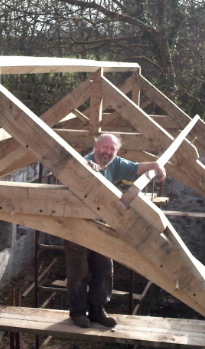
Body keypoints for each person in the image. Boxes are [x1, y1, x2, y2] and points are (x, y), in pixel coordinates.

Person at [65, 133, 166, 328]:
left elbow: (136, 168)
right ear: (96, 146)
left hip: (102, 225)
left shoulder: (115, 164)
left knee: (103, 270)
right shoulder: (84, 162)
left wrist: (155, 165)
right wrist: (87, 169)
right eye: (105, 147)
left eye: (112, 149)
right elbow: (74, 169)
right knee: (78, 272)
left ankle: (97, 310)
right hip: (77, 226)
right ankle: (77, 313)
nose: (108, 152)